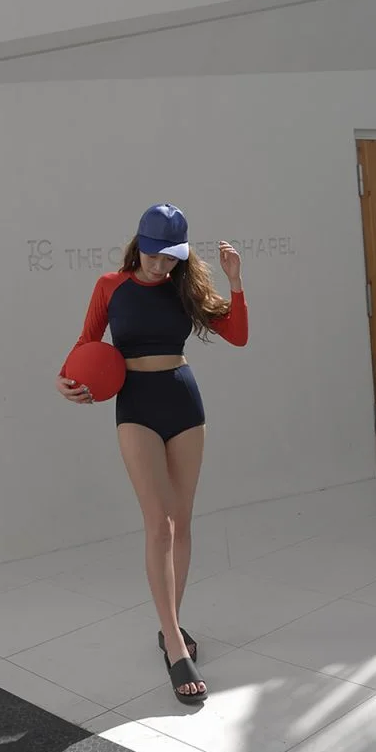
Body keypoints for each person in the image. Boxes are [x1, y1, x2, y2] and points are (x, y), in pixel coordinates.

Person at [55, 203, 248, 704]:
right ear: (138, 245)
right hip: (135, 404)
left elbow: (238, 336)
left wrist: (235, 282)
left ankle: (170, 627)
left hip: (184, 400)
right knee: (157, 524)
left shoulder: (185, 287)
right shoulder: (109, 286)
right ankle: (177, 649)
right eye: (155, 255)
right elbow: (85, 343)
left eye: (171, 257)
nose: (162, 265)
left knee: (182, 522)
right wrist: (64, 379)